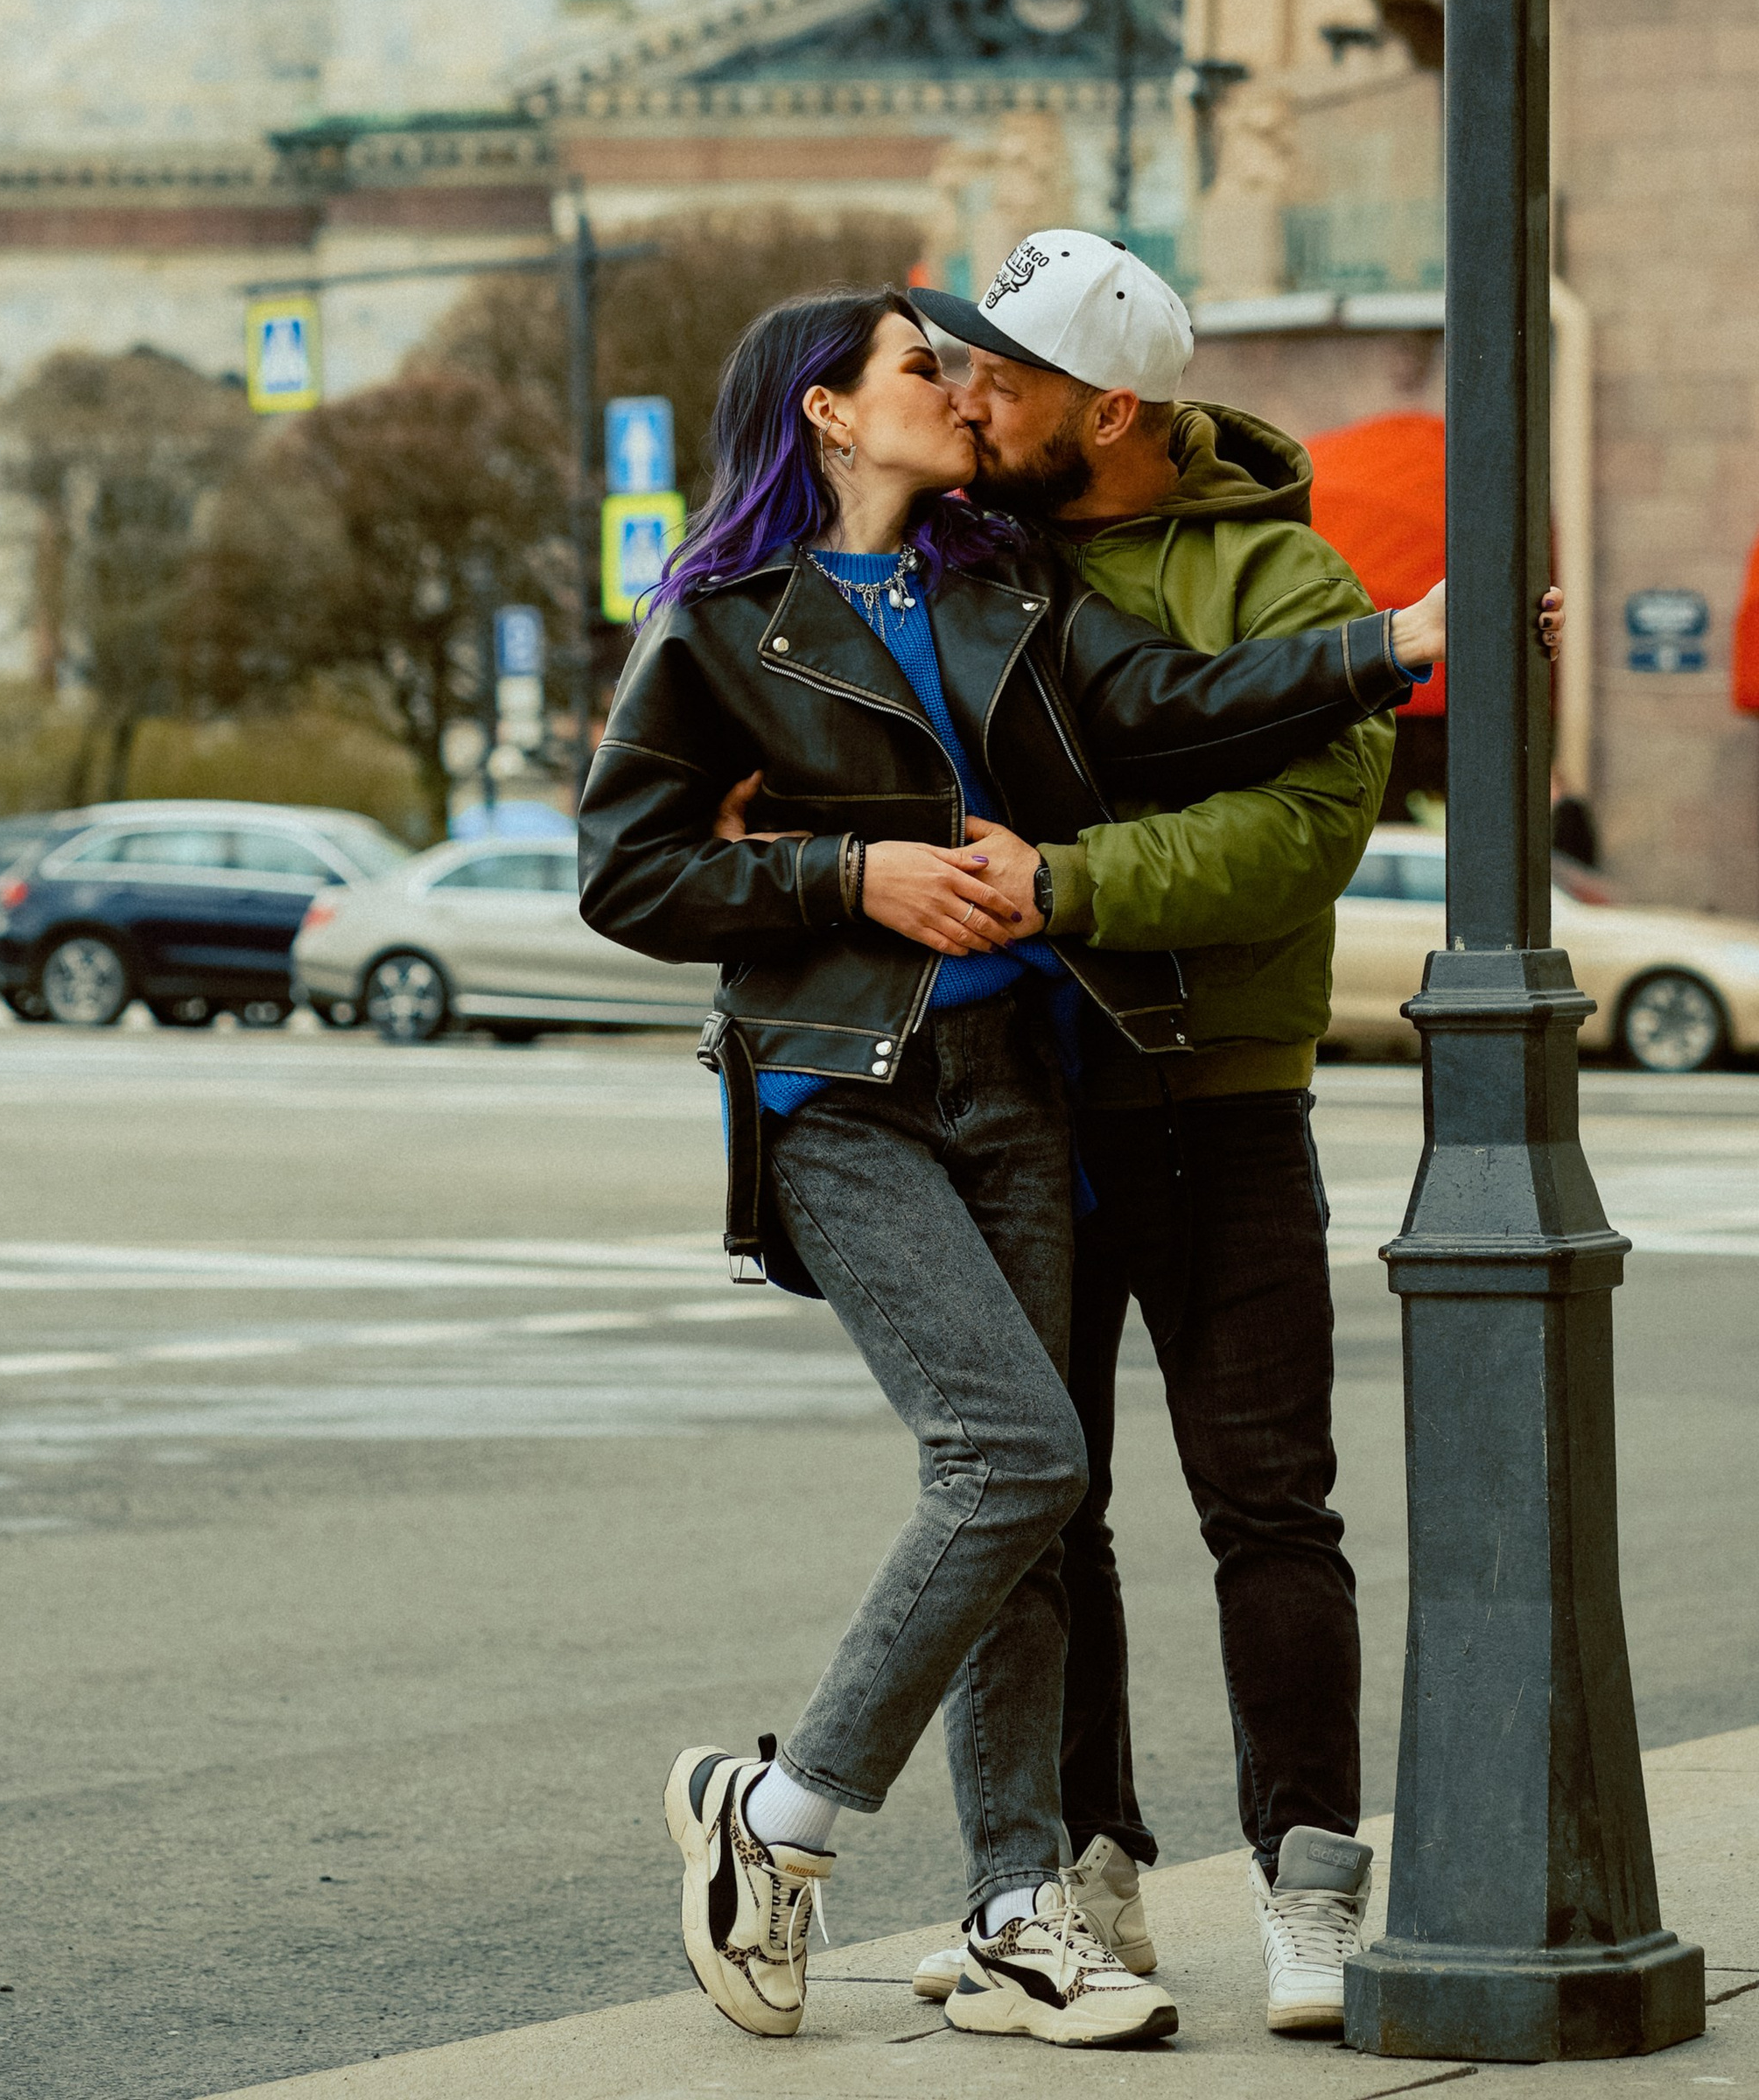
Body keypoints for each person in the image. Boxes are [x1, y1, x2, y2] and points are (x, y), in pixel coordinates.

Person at [578, 284, 1448, 2049]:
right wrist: (848, 879)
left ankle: (1008, 1911)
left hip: (1016, 1076)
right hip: (841, 1093)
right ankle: (779, 1814)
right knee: (1017, 1454)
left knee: (1034, 1513)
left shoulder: (1004, 584)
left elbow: (1173, 711)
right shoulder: (725, 620)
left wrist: (1388, 642)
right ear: (825, 411)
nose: (960, 395)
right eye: (924, 366)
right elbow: (627, 873)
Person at [905, 229, 1557, 2043]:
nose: (974, 402)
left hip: (1214, 1105)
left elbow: (1295, 839)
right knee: (1050, 1512)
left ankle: (1305, 1887)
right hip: (1016, 1111)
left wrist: (1066, 880)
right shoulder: (966, 548)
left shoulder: (1279, 571)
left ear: (1108, 407)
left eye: (1006, 380)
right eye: (965, 371)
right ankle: (1090, 1872)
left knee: (1266, 1507)